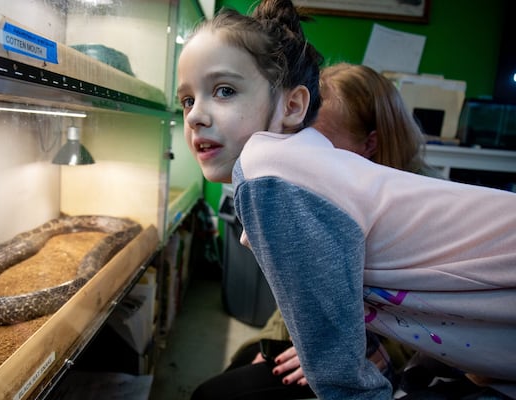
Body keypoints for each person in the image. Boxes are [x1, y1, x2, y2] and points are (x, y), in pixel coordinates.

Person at [176, 1, 516, 399]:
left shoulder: (267, 169)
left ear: (293, 106)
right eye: (187, 100)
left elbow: (340, 373)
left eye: (224, 91)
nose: (196, 115)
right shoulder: (292, 169)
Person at [190, 62, 437, 400]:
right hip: (325, 343)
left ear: (371, 144)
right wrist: (271, 343)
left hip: (377, 354)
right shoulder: (322, 188)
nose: (304, 158)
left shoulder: (422, 213)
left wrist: (369, 355)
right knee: (236, 369)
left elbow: (446, 327)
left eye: (320, 145)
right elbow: (300, 289)